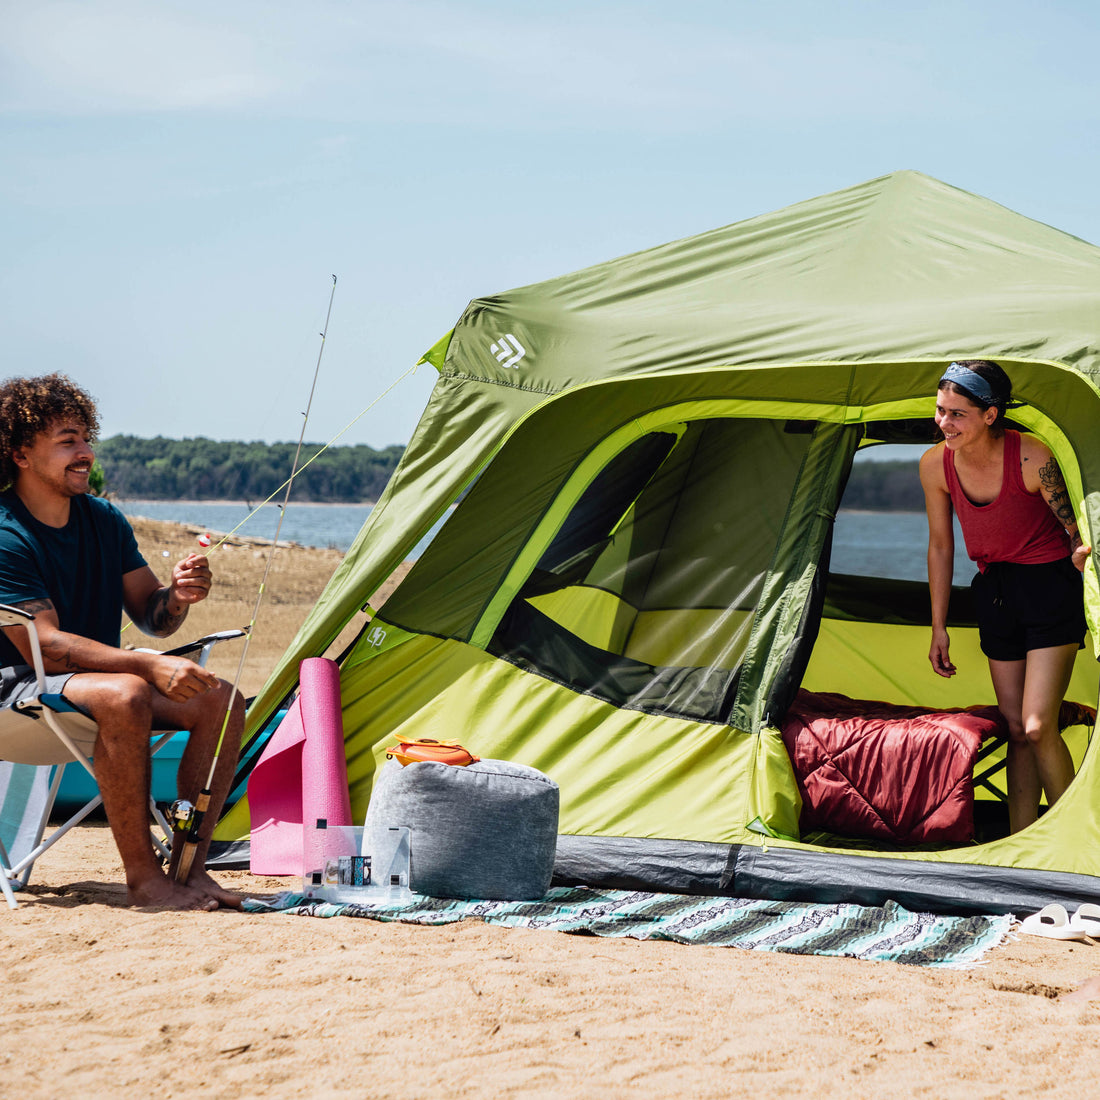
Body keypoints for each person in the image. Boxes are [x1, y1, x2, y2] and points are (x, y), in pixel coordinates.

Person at [0, 373, 244, 909]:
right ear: (20, 453)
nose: (85, 452)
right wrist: (146, 667)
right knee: (126, 693)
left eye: (86, 438)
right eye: (67, 441)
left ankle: (187, 867)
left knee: (220, 699)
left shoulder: (104, 519)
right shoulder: (4, 533)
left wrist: (178, 596)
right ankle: (144, 880)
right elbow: (44, 644)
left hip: (95, 685)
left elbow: (153, 616)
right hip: (17, 694)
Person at [919, 360, 1091, 834]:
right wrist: (939, 626)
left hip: (1050, 588)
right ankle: (1020, 845)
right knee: (1016, 730)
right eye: (940, 411)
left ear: (991, 415)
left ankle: (1073, 840)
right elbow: (940, 544)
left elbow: (1078, 532)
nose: (943, 424)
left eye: (957, 415)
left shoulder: (1031, 458)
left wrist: (1080, 557)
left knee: (1038, 725)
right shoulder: (934, 465)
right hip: (994, 593)